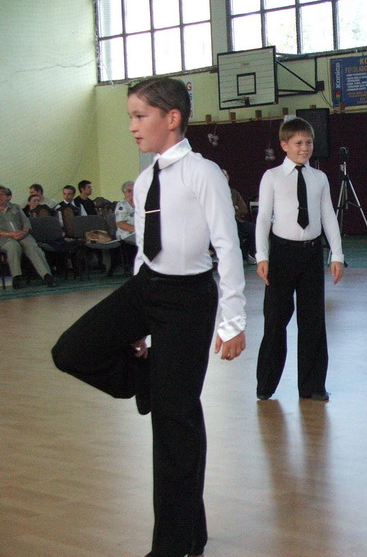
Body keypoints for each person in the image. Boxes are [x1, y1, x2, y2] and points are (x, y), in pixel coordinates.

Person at [52, 77, 246, 557]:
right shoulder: (144, 181)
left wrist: (233, 321)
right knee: (71, 350)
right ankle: (149, 382)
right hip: (146, 289)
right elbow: (144, 248)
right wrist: (136, 325)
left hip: (189, 299)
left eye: (140, 116)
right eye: (130, 117)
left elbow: (227, 246)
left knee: (174, 424)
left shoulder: (203, 173)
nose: (132, 127)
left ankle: (174, 545)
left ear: (171, 118)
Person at [254, 116, 344, 401]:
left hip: (311, 255)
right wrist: (262, 255)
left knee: (313, 321)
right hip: (281, 255)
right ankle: (265, 385)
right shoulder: (272, 177)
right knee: (275, 320)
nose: (305, 148)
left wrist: (337, 254)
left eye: (309, 142)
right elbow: (263, 219)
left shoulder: (319, 178)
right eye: (298, 143)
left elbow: (328, 216)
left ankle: (313, 386)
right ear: (284, 145)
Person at [0, 185, 55, 288]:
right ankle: (16, 277)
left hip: (22, 234)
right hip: (4, 238)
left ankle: (46, 275)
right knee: (13, 246)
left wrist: (24, 232)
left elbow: (26, 221)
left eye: (1, 195)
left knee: (32, 246)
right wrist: (11, 234)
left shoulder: (16, 207)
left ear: (7, 197)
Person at [221, 168, 257, 264]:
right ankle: (245, 256)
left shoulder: (234, 192)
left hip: (236, 220)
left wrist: (233, 209)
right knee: (236, 232)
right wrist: (233, 207)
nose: (224, 178)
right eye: (221, 176)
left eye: (225, 176)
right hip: (223, 223)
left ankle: (252, 254)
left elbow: (243, 209)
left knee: (254, 228)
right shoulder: (215, 192)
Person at [115, 180, 138, 269]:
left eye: (134, 190)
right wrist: (138, 229)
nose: (132, 193)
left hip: (140, 231)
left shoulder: (140, 203)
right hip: (126, 234)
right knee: (146, 240)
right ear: (124, 193)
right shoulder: (122, 205)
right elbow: (120, 224)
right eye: (129, 191)